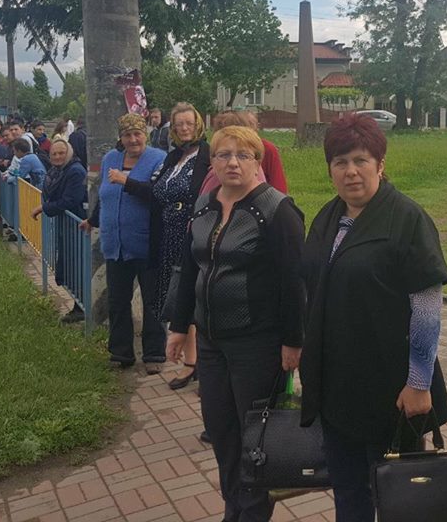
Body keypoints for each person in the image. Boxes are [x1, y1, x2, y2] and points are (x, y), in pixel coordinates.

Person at [299, 113, 447, 522]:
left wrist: (419, 382)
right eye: (340, 162)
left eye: (361, 160)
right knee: (348, 492)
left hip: (390, 391)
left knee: (397, 495)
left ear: (380, 165)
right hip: (337, 388)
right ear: (330, 169)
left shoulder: (406, 219)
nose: (351, 171)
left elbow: (427, 306)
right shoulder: (328, 217)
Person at [166, 125, 306, 522]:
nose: (233, 163)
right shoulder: (205, 204)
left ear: (258, 162)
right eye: (223, 154)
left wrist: (294, 341)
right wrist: (180, 326)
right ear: (211, 161)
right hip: (212, 343)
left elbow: (295, 282)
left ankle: (252, 513)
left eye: (243, 155)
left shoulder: (277, 210)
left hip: (257, 344)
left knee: (256, 437)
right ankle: (235, 507)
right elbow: (191, 266)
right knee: (221, 430)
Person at [123, 103, 210, 391]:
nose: (184, 128)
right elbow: (156, 191)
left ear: (198, 124)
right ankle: (191, 362)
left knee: (196, 301)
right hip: (168, 236)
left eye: (189, 123)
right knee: (181, 301)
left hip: (192, 236)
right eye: (179, 124)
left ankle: (201, 366)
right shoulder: (174, 157)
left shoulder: (207, 155)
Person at [81, 114, 167, 372]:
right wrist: (92, 220)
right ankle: (121, 353)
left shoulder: (159, 159)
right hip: (115, 245)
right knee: (118, 301)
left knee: (153, 302)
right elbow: (105, 196)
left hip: (147, 244)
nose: (133, 139)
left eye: (137, 134)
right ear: (121, 137)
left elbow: (158, 195)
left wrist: (126, 181)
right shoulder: (111, 159)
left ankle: (154, 355)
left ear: (145, 134)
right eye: (127, 135)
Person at [31, 138, 87, 323]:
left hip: (77, 224)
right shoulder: (56, 171)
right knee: (68, 262)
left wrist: (44, 207)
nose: (57, 156)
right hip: (66, 225)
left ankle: (81, 306)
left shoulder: (75, 171)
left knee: (76, 264)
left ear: (69, 153)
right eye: (54, 153)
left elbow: (70, 200)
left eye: (61, 153)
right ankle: (78, 304)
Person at [240, 110, 288, 193]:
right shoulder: (228, 148)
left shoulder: (267, 148)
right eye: (243, 125)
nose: (247, 128)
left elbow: (278, 184)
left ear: (257, 127)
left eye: (250, 124)